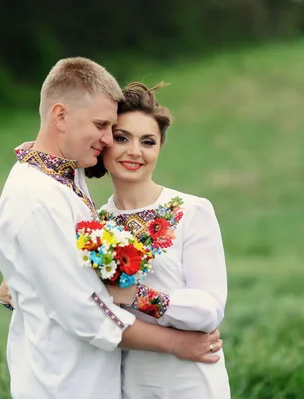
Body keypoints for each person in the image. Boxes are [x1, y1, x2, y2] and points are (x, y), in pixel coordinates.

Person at [0, 57, 223, 399]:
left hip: (172, 380)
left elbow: (210, 307)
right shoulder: (45, 197)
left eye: (148, 141)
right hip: (66, 381)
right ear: (59, 116)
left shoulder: (68, 180)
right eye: (113, 132)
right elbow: (84, 309)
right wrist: (177, 343)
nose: (108, 141)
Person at [84, 81, 231, 398]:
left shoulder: (191, 211)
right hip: (126, 381)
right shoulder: (94, 225)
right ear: (105, 142)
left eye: (148, 142)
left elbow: (209, 309)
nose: (134, 151)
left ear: (159, 148)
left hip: (190, 378)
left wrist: (135, 295)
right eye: (122, 138)